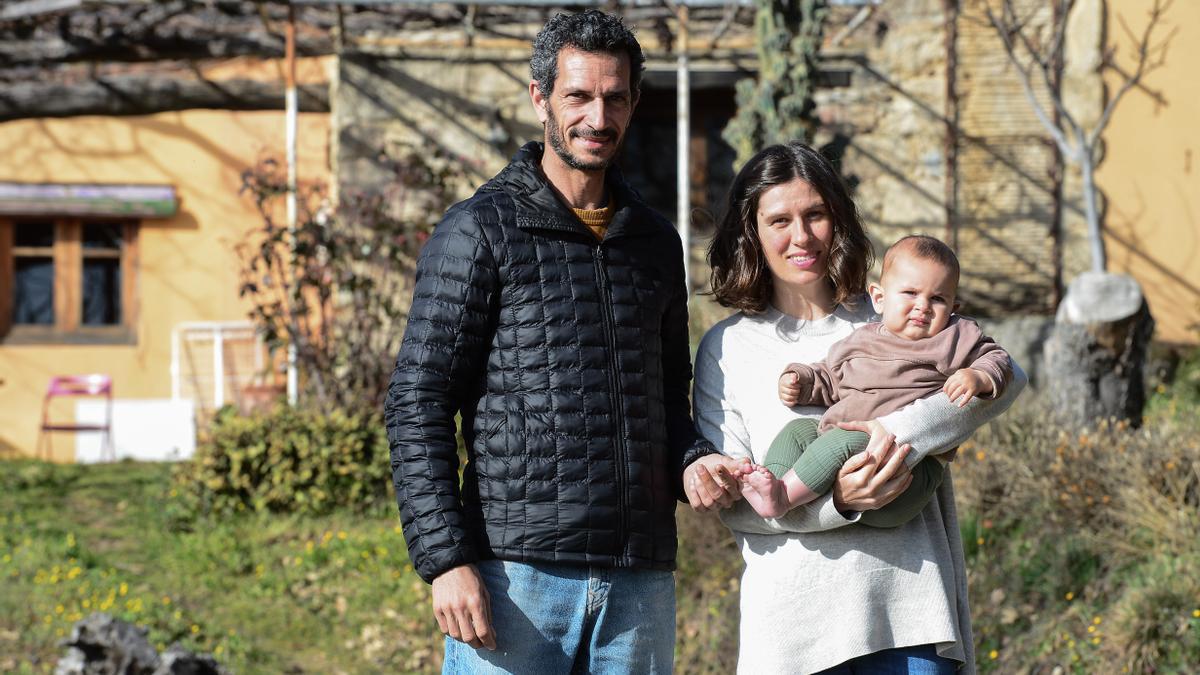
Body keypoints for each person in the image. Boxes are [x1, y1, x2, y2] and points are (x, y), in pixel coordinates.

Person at [383, 10, 744, 674]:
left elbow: (666, 395)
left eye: (614, 97)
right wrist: (446, 561)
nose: (597, 117)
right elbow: (417, 402)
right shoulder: (479, 231)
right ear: (540, 98)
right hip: (513, 580)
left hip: (638, 582)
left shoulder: (656, 242)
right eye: (578, 95)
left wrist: (692, 456)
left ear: (634, 102)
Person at [692, 141, 1027, 674]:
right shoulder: (727, 348)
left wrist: (889, 432)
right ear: (750, 232)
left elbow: (1008, 378)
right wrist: (840, 501)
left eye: (816, 214)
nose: (801, 236)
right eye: (779, 220)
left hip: (908, 614)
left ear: (838, 220)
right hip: (793, 630)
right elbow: (736, 501)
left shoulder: (894, 313)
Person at [737, 235, 1014, 526]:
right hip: (850, 452)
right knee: (798, 430)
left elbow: (998, 358)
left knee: (844, 439)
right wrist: (802, 381)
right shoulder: (861, 341)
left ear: (953, 307)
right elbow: (831, 379)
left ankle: (783, 497)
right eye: (910, 293)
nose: (923, 306)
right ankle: (771, 484)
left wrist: (978, 375)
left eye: (937, 298)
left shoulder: (955, 336)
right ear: (880, 298)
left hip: (905, 470)